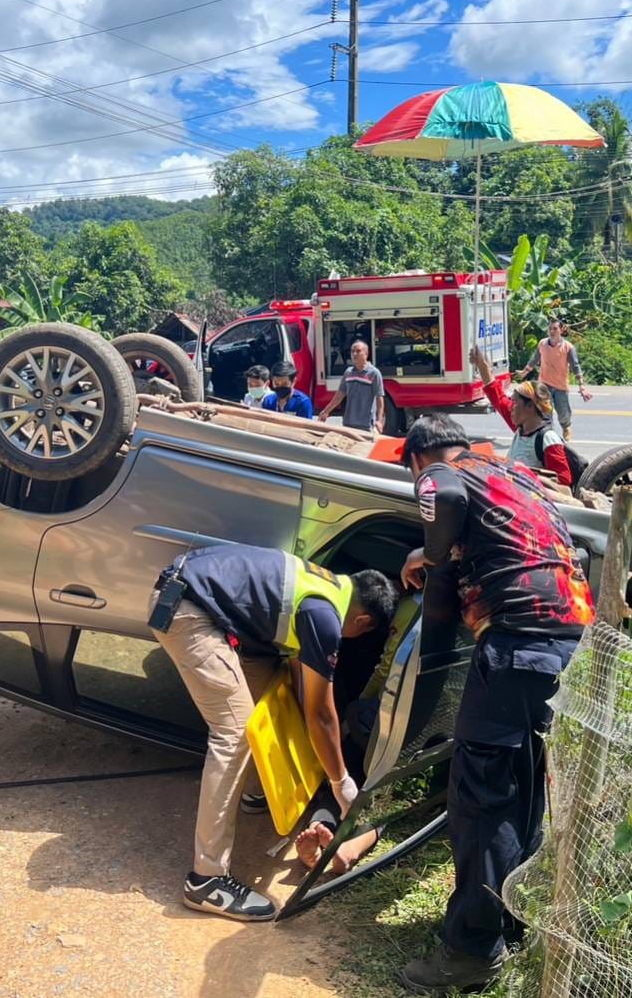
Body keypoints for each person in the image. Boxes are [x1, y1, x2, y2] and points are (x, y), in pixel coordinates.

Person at [395, 414, 595, 993]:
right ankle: (513, 920)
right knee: (525, 792)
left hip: (516, 645)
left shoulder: (444, 475)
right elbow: (573, 547)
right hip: (570, 644)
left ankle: (471, 954)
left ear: (417, 457)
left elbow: (442, 489)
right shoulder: (517, 476)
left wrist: (432, 558)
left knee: (482, 801)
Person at [148, 543, 398, 921]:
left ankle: (252, 793)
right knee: (233, 734)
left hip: (204, 604)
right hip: (188, 611)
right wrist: (340, 782)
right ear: (363, 622)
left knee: (263, 689)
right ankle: (207, 879)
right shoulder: (326, 615)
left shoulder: (323, 584)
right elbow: (322, 713)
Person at [471, 347, 572, 489]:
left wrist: (526, 477)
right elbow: (497, 396)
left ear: (530, 406)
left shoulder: (547, 439)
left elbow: (563, 480)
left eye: (515, 402)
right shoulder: (522, 427)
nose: (511, 406)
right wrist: (481, 364)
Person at [517, 320, 592, 441]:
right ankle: (548, 433)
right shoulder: (542, 344)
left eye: (555, 329)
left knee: (563, 413)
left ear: (561, 330)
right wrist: (524, 372)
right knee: (546, 412)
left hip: (560, 386)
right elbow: (534, 360)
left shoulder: (568, 347)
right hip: (544, 385)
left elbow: (575, 366)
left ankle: (566, 427)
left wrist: (581, 386)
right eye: (550, 329)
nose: (551, 331)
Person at [318, 340, 384, 432]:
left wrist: (379, 420)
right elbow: (339, 395)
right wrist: (326, 411)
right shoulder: (348, 372)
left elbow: (379, 397)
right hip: (348, 423)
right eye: (352, 351)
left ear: (366, 353)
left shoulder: (374, 373)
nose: (354, 354)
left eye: (358, 351)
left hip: (366, 424)